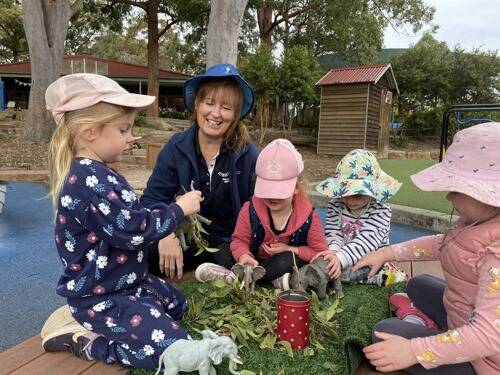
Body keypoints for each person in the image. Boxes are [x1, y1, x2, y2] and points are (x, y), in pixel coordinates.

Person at [40, 73, 202, 370]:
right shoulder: (89, 183)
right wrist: (179, 209)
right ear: (90, 132)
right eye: (124, 129)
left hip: (126, 283)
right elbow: (133, 230)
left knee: (178, 305)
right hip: (101, 296)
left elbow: (128, 217)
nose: (131, 138)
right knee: (177, 351)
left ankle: (125, 319)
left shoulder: (99, 171)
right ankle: (92, 342)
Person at [354, 122, 500, 374]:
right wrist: (386, 253)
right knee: (417, 284)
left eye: (455, 189)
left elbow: (487, 336)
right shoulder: (476, 221)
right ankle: (439, 332)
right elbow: (439, 244)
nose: (448, 197)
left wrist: (413, 350)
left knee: (385, 334)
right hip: (464, 314)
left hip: (484, 359)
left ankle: (437, 338)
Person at [140, 63, 258, 280]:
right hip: (184, 238)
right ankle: (206, 271)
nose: (215, 113)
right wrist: (165, 235)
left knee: (241, 257)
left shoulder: (248, 154)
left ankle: (218, 270)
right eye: (209, 103)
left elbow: (257, 210)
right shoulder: (176, 147)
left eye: (226, 107)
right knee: (142, 254)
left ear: (236, 114)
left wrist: (244, 248)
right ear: (197, 104)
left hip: (228, 241)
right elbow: (150, 201)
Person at [195, 139, 328, 290]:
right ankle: (264, 278)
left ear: (297, 187)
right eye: (268, 190)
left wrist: (290, 249)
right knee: (222, 250)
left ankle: (234, 277)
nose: (273, 197)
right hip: (252, 261)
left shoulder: (308, 216)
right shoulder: (250, 208)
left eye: (280, 191)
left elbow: (318, 252)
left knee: (288, 260)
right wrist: (244, 257)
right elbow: (239, 240)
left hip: (279, 263)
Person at [314, 149, 403, 284]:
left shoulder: (381, 210)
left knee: (372, 272)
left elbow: (367, 242)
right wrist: (333, 252)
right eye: (345, 194)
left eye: (357, 195)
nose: (350, 201)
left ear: (372, 191)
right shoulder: (335, 205)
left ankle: (385, 275)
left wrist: (340, 258)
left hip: (371, 257)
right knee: (326, 264)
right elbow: (333, 232)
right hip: (342, 255)